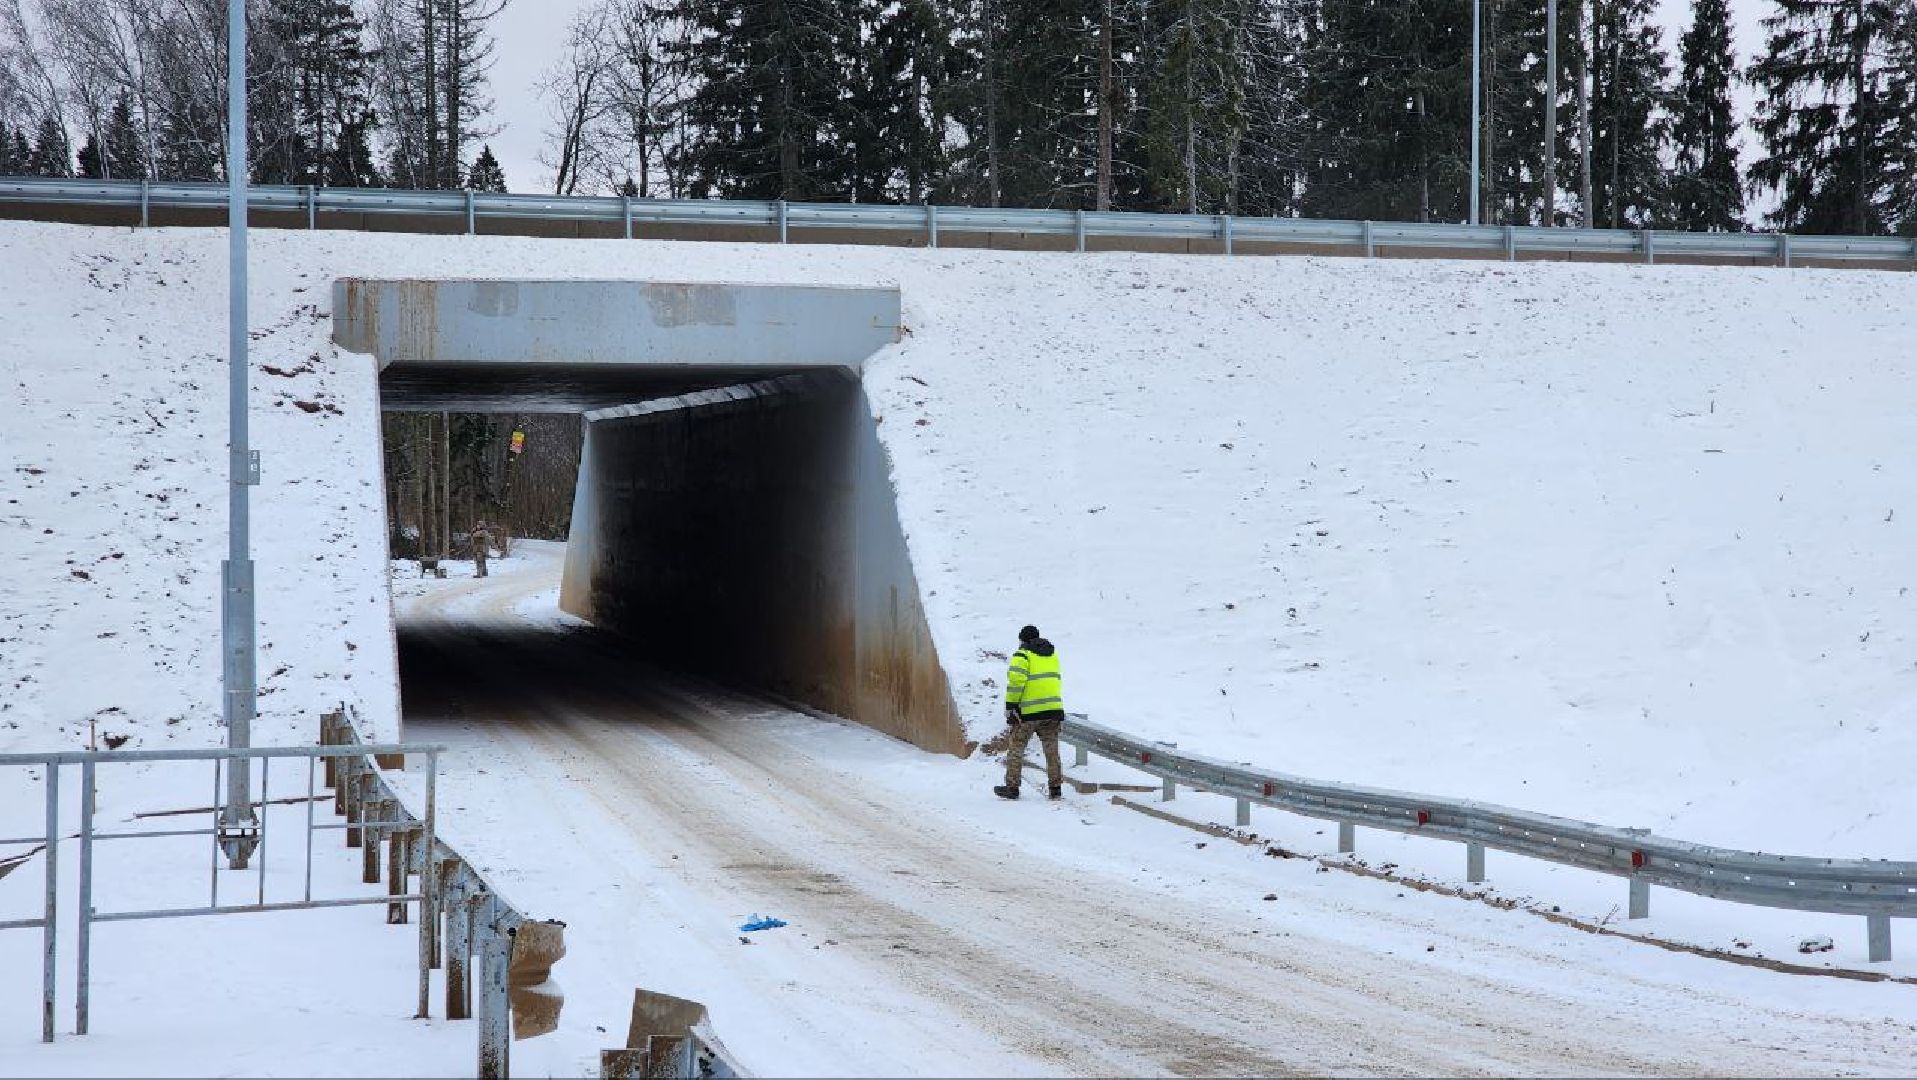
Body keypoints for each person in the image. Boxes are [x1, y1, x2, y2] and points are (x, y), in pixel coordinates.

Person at [995, 624, 1064, 800]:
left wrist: (1011, 706)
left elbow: (1016, 683)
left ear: (1023, 640)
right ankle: (1055, 788)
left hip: (1029, 712)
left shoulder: (1022, 655)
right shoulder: (1052, 655)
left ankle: (1012, 787)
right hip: (1053, 710)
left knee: (1017, 747)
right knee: (1052, 750)